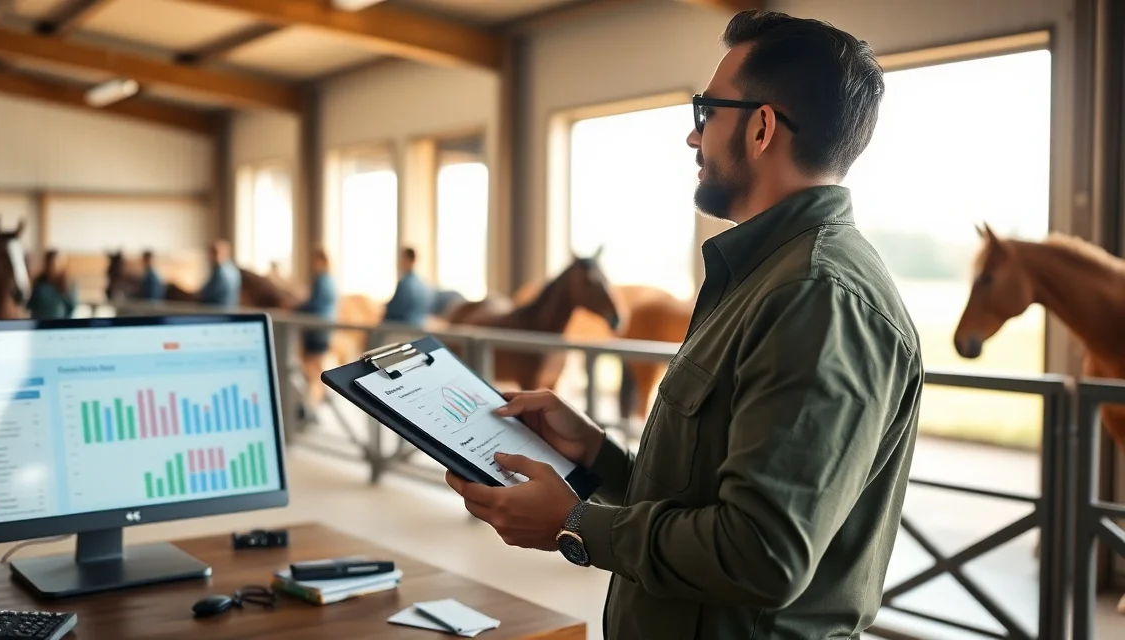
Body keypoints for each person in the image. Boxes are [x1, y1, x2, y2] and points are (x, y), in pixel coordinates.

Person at [442, 10, 923, 640]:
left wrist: (576, 525)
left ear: (761, 128)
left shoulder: (816, 298)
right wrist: (594, 453)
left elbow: (763, 551)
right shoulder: (766, 278)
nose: (692, 139)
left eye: (706, 112)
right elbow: (710, 498)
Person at [297, 248, 338, 406]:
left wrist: (296, 308)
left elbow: (313, 305)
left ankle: (312, 403)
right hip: (325, 330)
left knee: (311, 367)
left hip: (316, 330)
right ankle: (322, 397)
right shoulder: (331, 280)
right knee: (318, 365)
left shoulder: (321, 281)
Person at [381, 247, 433, 327]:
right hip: (420, 328)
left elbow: (395, 310)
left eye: (402, 259)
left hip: (404, 328)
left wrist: (384, 309)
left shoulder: (404, 284)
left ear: (407, 260)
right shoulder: (423, 285)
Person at [26, 249, 78, 319]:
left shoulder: (68, 284)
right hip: (40, 324)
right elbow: (30, 305)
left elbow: (72, 307)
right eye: (51, 264)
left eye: (56, 263)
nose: (54, 267)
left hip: (60, 324)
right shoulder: (40, 284)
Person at [198, 239, 241, 307]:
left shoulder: (220, 272)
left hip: (217, 310)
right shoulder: (233, 269)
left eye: (212, 254)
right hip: (231, 308)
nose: (209, 257)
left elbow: (207, 294)